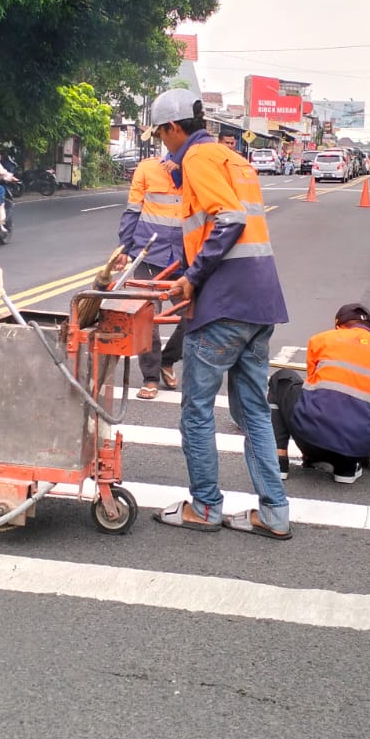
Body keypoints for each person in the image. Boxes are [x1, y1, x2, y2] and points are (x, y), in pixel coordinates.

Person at [146, 89, 292, 541]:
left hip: (224, 305)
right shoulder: (234, 158)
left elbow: (229, 219)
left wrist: (193, 278)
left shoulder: (198, 158)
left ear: (173, 127)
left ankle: (206, 506)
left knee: (196, 410)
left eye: (161, 134)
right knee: (253, 412)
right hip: (259, 302)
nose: (162, 144)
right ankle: (275, 512)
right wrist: (185, 270)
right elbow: (218, 226)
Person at [270, 303, 370, 484]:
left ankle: (278, 460)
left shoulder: (321, 340)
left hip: (309, 438)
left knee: (281, 378)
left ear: (338, 326)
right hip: (356, 450)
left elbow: (311, 390)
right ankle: (347, 468)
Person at [117, 150, 186, 399]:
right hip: (149, 254)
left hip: (184, 258)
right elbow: (133, 211)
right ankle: (151, 377)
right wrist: (124, 248)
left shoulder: (197, 170)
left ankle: (168, 359)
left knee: (194, 315)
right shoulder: (147, 168)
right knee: (147, 319)